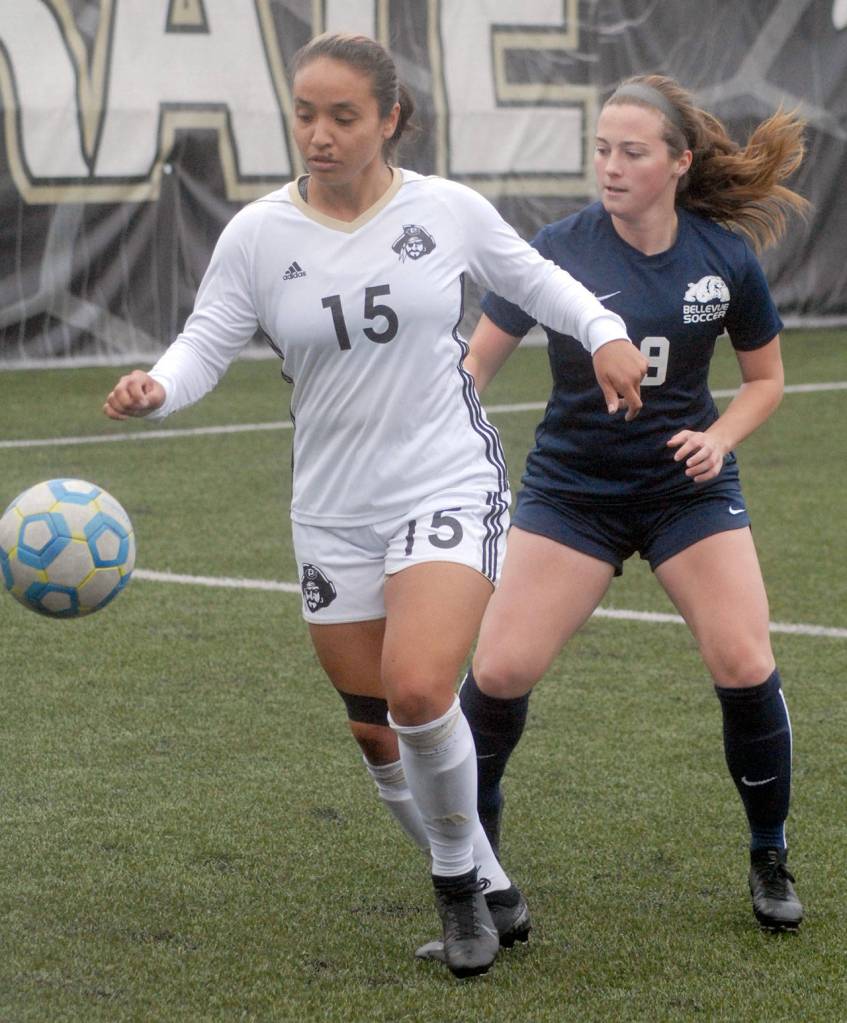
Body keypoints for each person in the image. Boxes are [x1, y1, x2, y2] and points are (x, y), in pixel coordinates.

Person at [102, 34, 647, 977]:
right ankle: (492, 880)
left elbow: (535, 280)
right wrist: (157, 387)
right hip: (330, 509)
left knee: (420, 688)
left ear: (388, 118)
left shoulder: (445, 211)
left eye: (342, 116)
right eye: (305, 113)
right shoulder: (259, 234)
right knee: (372, 725)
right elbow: (203, 343)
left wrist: (602, 330)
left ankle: (453, 888)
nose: (318, 133)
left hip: (444, 479)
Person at [445, 72, 810, 937]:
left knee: (742, 659)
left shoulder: (721, 258)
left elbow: (765, 382)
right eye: (600, 148)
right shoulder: (556, 249)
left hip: (686, 491)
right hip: (573, 491)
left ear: (678, 163)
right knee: (497, 672)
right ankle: (474, 867)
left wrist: (718, 439)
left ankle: (768, 853)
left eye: (631, 152)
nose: (609, 166)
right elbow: (474, 365)